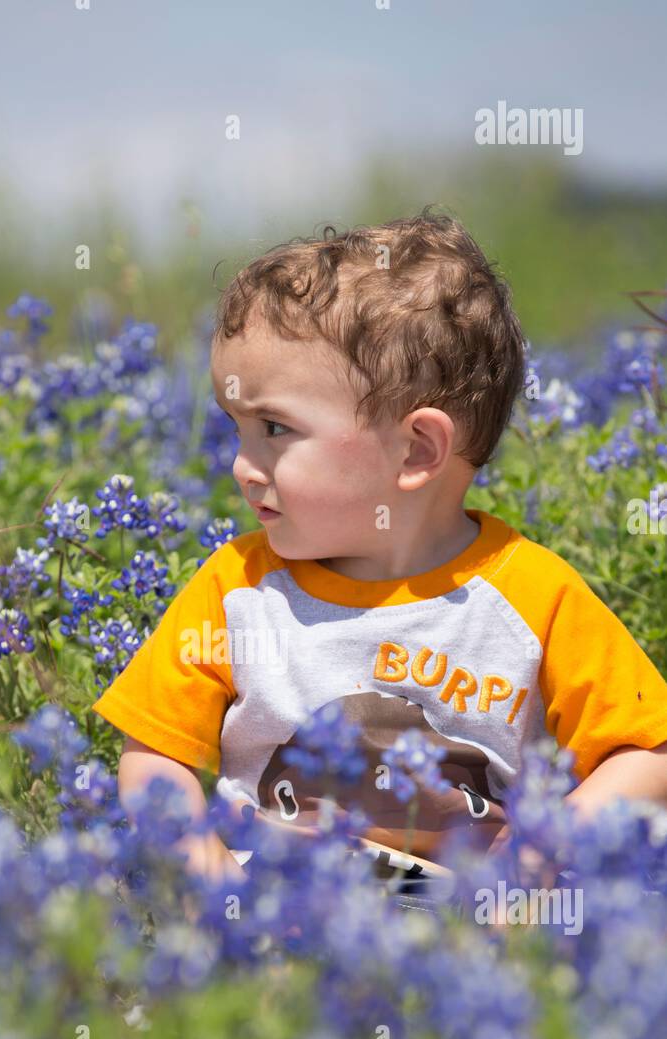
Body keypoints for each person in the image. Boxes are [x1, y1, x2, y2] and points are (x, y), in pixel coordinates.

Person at [91, 212, 667, 898]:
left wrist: (546, 850)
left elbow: (648, 754)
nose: (242, 466)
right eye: (236, 427)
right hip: (272, 901)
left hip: (466, 914)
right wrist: (201, 871)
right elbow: (153, 755)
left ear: (418, 450)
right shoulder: (236, 588)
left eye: (275, 428)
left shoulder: (534, 597)